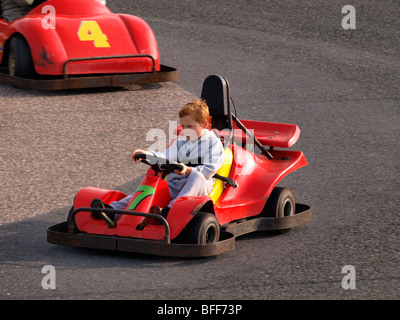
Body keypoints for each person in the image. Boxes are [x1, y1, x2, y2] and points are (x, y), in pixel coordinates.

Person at [91, 99, 225, 227]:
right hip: (177, 183)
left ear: (204, 124)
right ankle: (112, 211)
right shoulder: (180, 143)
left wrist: (188, 170)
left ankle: (169, 211)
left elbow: (210, 169)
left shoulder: (213, 143)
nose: (186, 131)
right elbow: (164, 156)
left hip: (201, 186)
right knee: (151, 188)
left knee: (197, 176)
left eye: (190, 126)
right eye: (183, 126)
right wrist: (146, 154)